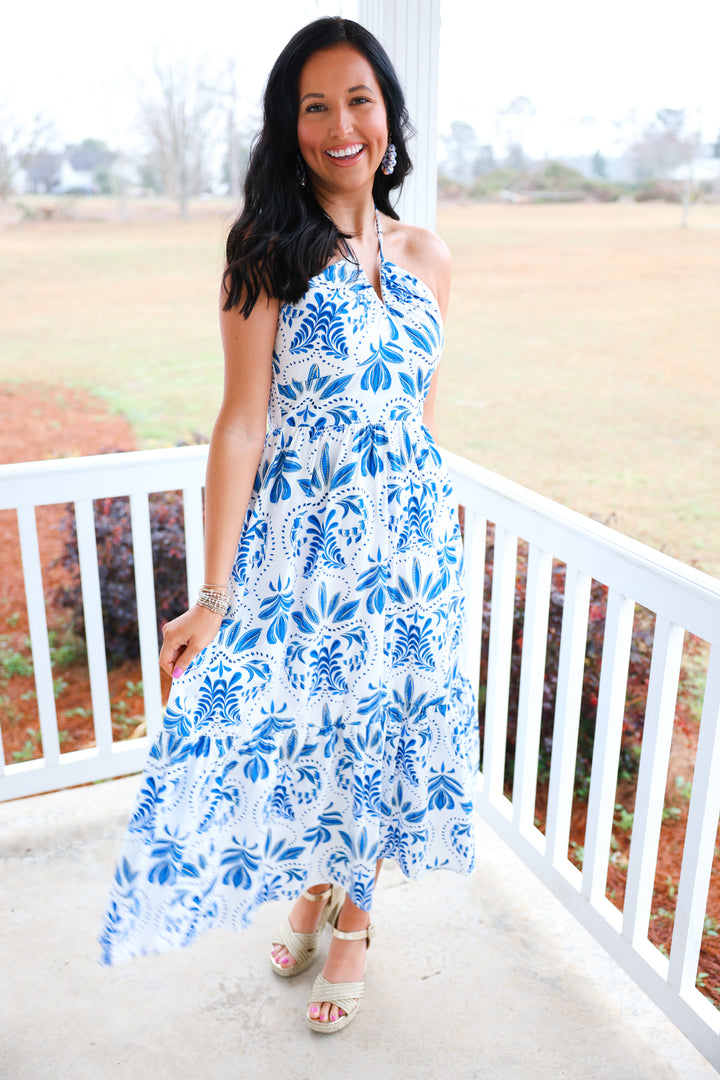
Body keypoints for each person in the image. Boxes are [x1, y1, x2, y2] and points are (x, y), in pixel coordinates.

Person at [98, 16, 478, 1034]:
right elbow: (238, 426)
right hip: (305, 559)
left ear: (390, 116)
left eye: (359, 99)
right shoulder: (268, 249)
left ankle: (352, 920)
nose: (341, 124)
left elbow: (421, 421)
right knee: (312, 733)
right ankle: (315, 886)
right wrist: (215, 595)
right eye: (316, 105)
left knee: (384, 738)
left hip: (412, 562)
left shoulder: (431, 256)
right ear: (290, 125)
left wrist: (431, 540)